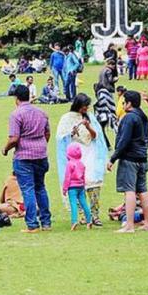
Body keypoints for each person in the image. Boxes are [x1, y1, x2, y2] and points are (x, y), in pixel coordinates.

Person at [2, 85, 52, 233]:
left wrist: (5, 149)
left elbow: (14, 138)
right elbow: (47, 133)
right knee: (40, 188)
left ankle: (32, 224)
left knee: (28, 190)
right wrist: (40, 145)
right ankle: (46, 222)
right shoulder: (42, 113)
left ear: (16, 99)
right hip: (41, 155)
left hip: (24, 157)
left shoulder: (16, 115)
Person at [57, 94, 107, 227]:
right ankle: (82, 216)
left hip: (90, 153)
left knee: (93, 183)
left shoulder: (90, 117)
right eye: (84, 106)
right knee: (76, 185)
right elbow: (61, 137)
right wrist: (71, 133)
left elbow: (96, 136)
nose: (86, 108)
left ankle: (94, 215)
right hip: (75, 154)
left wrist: (88, 126)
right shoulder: (67, 118)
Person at [106, 91, 148, 233]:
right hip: (142, 158)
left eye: (124, 102)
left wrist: (113, 158)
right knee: (142, 190)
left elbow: (124, 140)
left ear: (129, 103)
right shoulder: (144, 117)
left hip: (130, 159)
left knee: (129, 191)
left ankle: (129, 225)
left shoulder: (129, 118)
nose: (122, 104)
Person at [62, 143, 93, 230]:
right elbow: (83, 176)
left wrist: (64, 188)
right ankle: (89, 220)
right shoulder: (81, 164)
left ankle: (74, 221)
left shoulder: (69, 164)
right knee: (84, 203)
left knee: (73, 204)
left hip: (72, 188)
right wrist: (83, 185)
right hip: (81, 187)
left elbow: (67, 177)